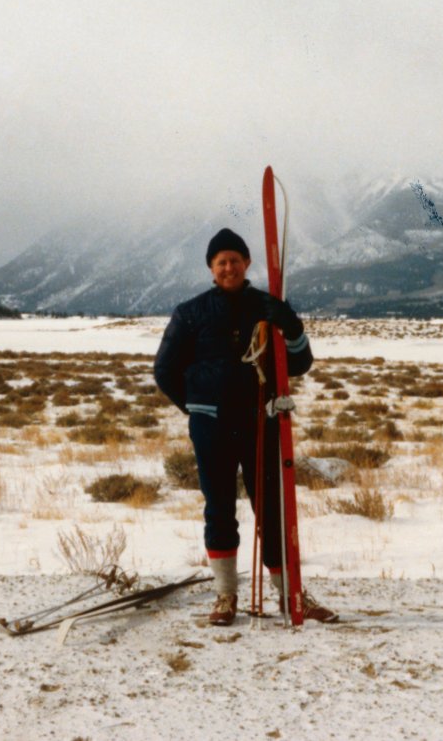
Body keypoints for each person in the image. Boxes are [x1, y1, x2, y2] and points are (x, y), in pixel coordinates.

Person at [154, 227, 337, 626]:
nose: (229, 267)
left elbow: (301, 364)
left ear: (247, 263)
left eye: (235, 260)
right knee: (219, 510)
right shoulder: (190, 312)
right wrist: (197, 406)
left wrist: (291, 327)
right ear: (211, 268)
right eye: (221, 262)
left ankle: (291, 596)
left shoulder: (268, 306)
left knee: (272, 510)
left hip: (261, 420)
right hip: (211, 427)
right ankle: (225, 597)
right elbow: (164, 370)